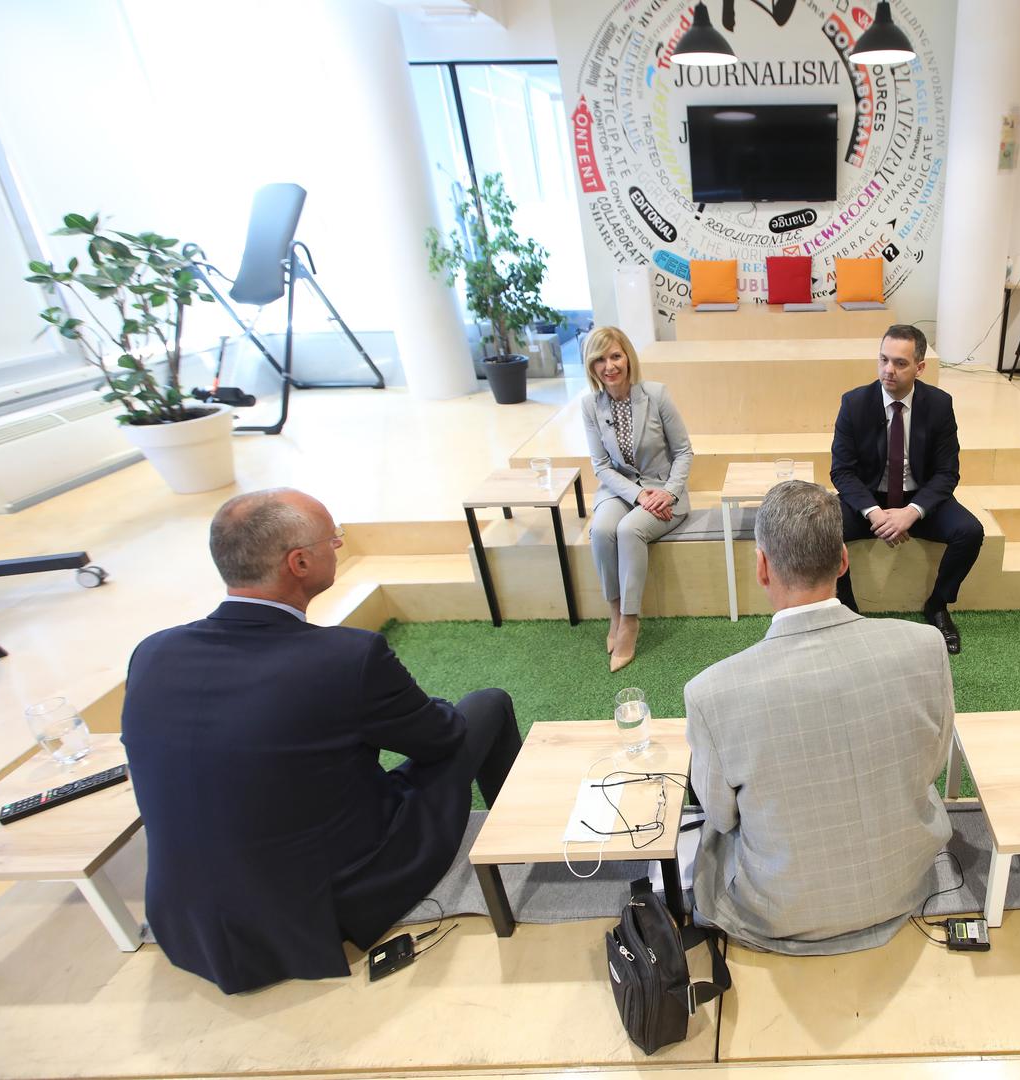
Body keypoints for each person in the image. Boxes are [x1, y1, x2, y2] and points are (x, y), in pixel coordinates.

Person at [121, 489, 522, 994]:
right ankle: (520, 841)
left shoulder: (152, 652)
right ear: (300, 562)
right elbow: (440, 738)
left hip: (181, 916)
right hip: (320, 905)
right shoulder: (346, 657)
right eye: (333, 539)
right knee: (486, 705)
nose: (338, 546)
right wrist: (430, 706)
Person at [685, 480, 955, 954]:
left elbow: (722, 817)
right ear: (843, 560)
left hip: (780, 912)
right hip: (905, 884)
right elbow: (932, 765)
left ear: (762, 567)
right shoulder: (925, 646)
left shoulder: (711, 692)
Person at [830, 324, 983, 654]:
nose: (889, 369)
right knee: (825, 529)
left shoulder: (939, 404)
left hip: (919, 498)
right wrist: (874, 513)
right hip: (869, 499)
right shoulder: (854, 403)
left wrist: (911, 513)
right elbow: (842, 472)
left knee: (970, 531)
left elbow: (947, 473)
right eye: (883, 359)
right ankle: (848, 611)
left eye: (900, 363)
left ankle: (938, 605)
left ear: (920, 367)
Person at [579, 326, 694, 671]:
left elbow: (684, 452)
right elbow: (601, 466)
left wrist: (668, 492)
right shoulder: (590, 405)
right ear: (590, 366)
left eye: (615, 356)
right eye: (600, 359)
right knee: (602, 530)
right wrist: (638, 494)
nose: (609, 366)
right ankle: (615, 611)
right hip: (620, 490)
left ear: (628, 357)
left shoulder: (656, 395)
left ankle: (629, 622)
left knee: (629, 530)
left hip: (663, 491)